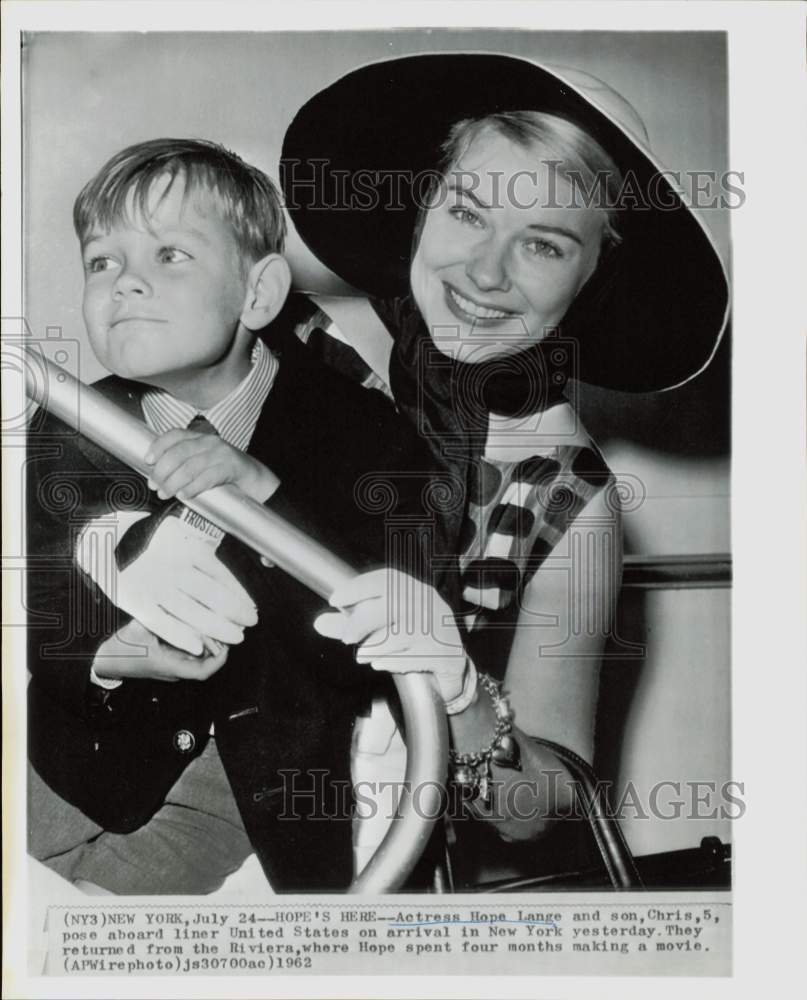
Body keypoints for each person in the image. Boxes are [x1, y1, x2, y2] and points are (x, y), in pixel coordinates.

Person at [279, 53, 730, 874]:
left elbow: (539, 810)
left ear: (594, 276)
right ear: (423, 200)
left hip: (362, 857)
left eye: (545, 245)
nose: (486, 272)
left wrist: (460, 699)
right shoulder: (287, 337)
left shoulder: (564, 491)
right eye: (468, 212)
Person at [27, 137, 456, 893]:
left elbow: (388, 611)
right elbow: (43, 597)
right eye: (102, 261)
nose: (124, 284)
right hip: (68, 750)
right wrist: (109, 653)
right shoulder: (71, 421)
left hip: (248, 774)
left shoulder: (359, 428)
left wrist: (264, 494)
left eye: (169, 257)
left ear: (257, 295)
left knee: (112, 930)